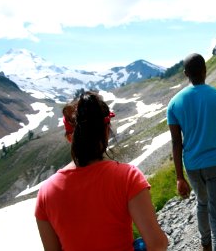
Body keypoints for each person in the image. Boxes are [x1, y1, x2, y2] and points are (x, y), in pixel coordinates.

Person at [35, 91, 168, 251]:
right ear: (106, 130)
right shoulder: (128, 177)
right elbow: (157, 244)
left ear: (70, 138)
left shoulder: (45, 193)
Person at [167, 53, 216, 251]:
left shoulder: (174, 103)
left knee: (202, 203)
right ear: (205, 70)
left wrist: (179, 177)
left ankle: (206, 245)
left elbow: (176, 142)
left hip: (193, 166)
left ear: (186, 74)